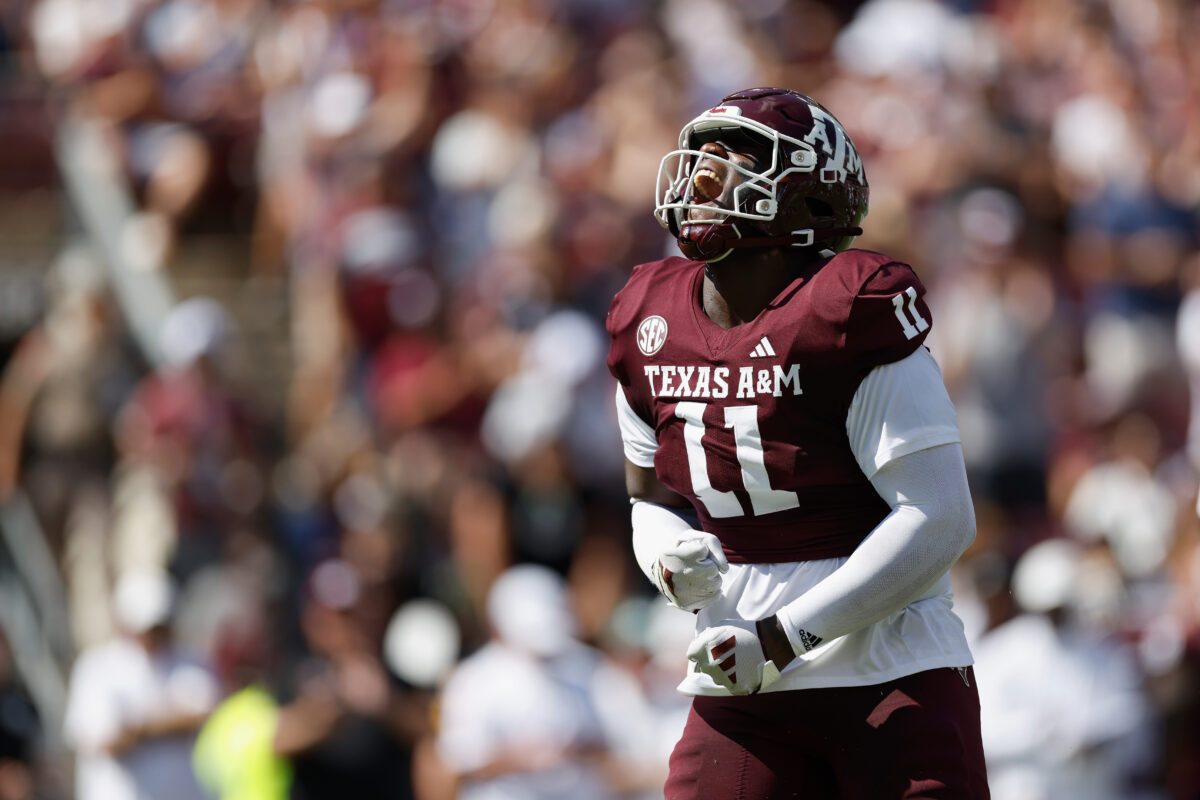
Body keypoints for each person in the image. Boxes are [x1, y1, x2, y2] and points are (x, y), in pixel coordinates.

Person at [605, 87, 988, 798]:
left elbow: (939, 518)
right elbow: (647, 494)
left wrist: (783, 638)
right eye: (702, 155)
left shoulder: (846, 310)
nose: (706, 173)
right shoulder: (647, 315)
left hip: (888, 664)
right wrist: (664, 553)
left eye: (741, 156)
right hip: (739, 675)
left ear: (811, 198)